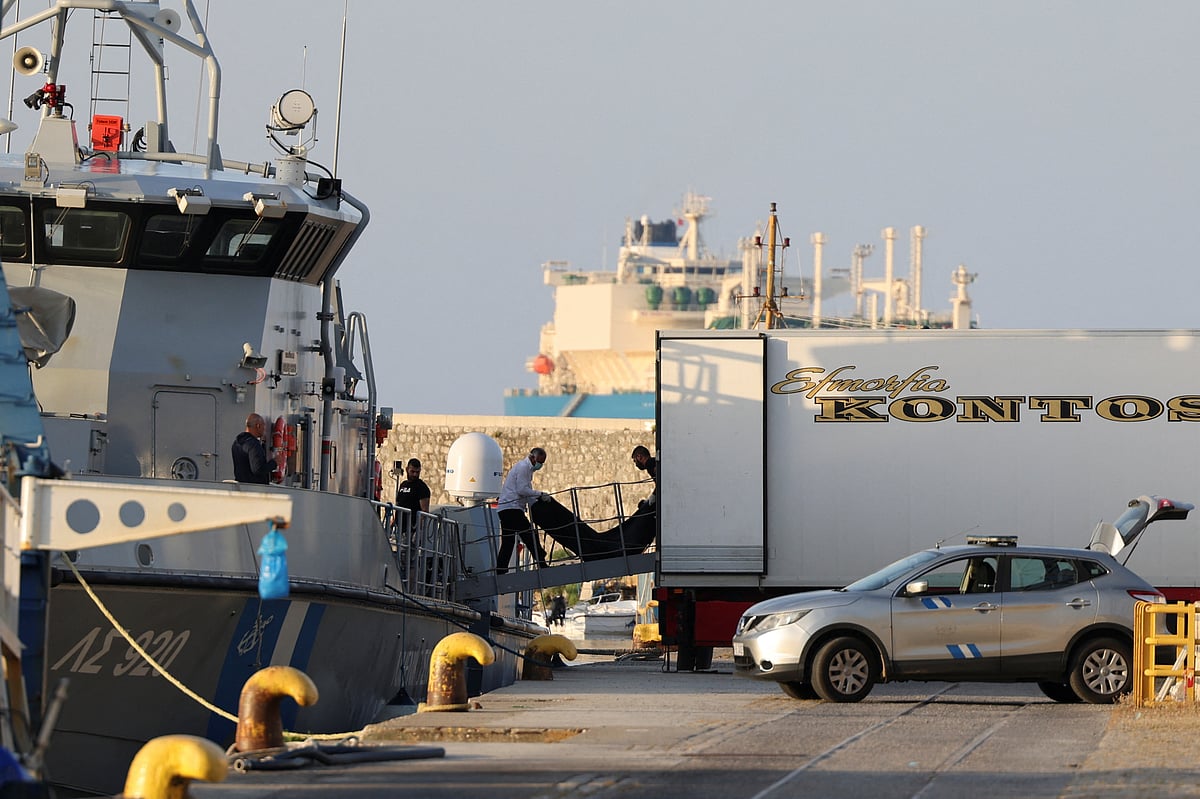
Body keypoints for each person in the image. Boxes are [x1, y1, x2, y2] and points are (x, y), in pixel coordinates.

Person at [496, 447, 550, 574]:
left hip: (505, 509)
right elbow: (522, 490)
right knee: (529, 535)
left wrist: (536, 500)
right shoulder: (523, 468)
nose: (540, 465)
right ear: (532, 457)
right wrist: (540, 494)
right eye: (539, 462)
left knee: (508, 541)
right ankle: (541, 561)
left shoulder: (525, 469)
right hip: (512, 509)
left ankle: (501, 569)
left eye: (542, 463)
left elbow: (526, 493)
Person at [232, 413, 274, 484]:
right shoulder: (253, 444)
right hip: (255, 489)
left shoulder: (236, 443)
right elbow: (258, 469)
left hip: (241, 486)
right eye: (263, 425)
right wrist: (274, 462)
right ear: (258, 426)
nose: (264, 428)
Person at [394, 457, 431, 533]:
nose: (415, 474)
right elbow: (398, 504)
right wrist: (393, 522)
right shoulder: (403, 485)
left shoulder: (422, 487)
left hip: (412, 529)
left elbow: (424, 511)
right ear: (407, 469)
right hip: (399, 527)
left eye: (417, 472)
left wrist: (417, 531)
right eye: (412, 471)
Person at [631, 445, 658, 510]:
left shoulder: (649, 464)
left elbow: (660, 481)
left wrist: (653, 496)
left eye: (635, 460)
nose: (636, 465)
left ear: (639, 457)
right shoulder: (653, 462)